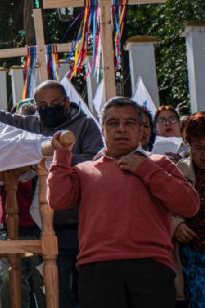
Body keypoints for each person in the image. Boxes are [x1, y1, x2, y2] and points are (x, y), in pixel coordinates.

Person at [0, 70, 103, 308]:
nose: (48, 108)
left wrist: (55, 157)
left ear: (66, 103)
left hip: (80, 224)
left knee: (85, 289)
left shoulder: (85, 126)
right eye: (43, 105)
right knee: (51, 291)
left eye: (54, 104)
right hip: (41, 225)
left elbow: (94, 161)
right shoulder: (31, 126)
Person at [48, 96, 200, 308]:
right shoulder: (84, 170)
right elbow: (58, 200)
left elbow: (189, 206)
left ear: (141, 130)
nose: (120, 129)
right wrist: (62, 156)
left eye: (129, 123)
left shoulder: (159, 163)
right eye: (112, 123)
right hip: (97, 270)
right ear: (102, 130)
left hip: (151, 268)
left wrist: (146, 170)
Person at [173, 112, 205, 308]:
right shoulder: (179, 171)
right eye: (198, 148)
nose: (204, 155)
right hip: (193, 256)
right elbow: (164, 208)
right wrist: (177, 225)